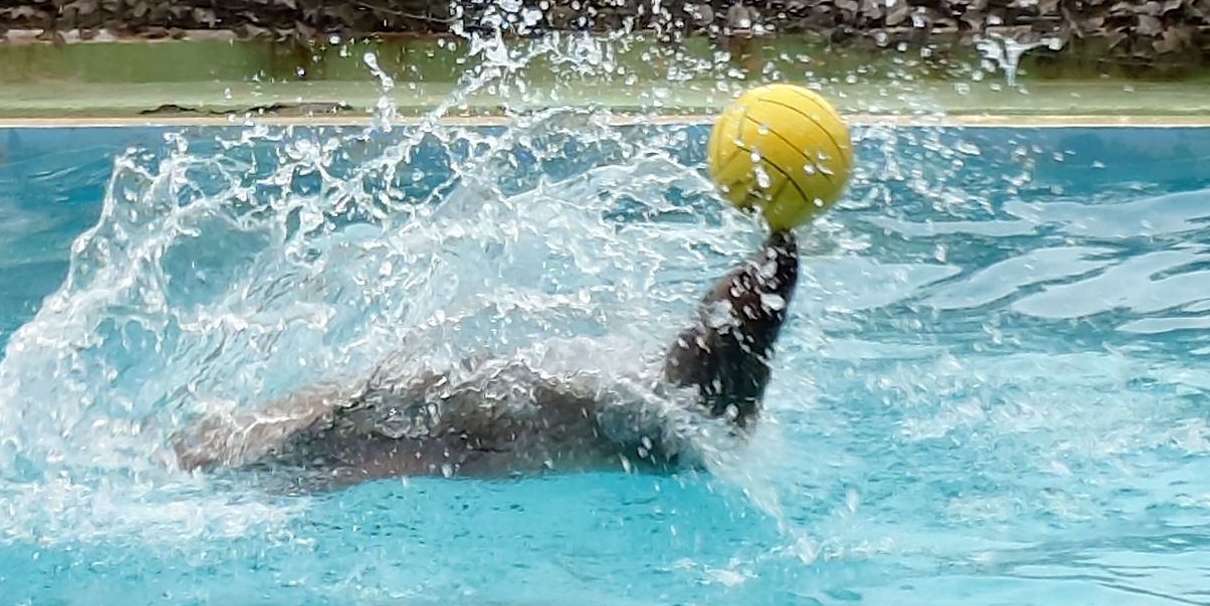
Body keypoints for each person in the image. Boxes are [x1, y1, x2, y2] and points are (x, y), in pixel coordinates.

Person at [173, 232, 801, 487]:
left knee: (276, 450)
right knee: (279, 454)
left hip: (471, 406)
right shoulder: (687, 436)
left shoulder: (661, 424)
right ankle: (192, 454)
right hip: (475, 413)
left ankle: (188, 453)